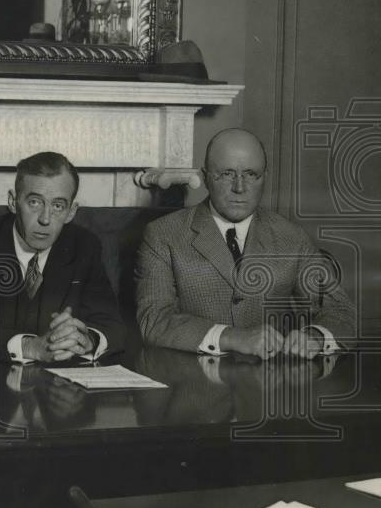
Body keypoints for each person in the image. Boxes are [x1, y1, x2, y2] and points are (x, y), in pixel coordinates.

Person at [135, 128, 354, 359]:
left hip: (270, 387)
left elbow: (341, 311)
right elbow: (155, 321)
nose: (239, 188)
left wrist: (315, 337)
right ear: (206, 177)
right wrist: (232, 337)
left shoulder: (292, 236)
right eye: (227, 174)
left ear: (265, 177)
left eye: (251, 174)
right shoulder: (163, 235)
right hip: (196, 388)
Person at [0, 151, 125, 362]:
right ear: (13, 202)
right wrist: (29, 347)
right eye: (35, 202)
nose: (45, 219)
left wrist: (87, 340)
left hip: (58, 388)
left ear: (71, 211)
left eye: (58, 206)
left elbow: (113, 326)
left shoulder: (84, 246)